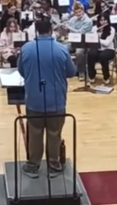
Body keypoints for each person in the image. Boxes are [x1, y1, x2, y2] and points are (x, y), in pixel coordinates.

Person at [18, 19, 76, 178]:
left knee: (35, 133)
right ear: (51, 30)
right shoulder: (62, 49)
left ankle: (33, 166)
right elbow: (71, 72)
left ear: (36, 30)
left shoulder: (26, 49)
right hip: (56, 101)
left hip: (33, 100)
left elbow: (21, 70)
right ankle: (54, 167)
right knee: (54, 134)